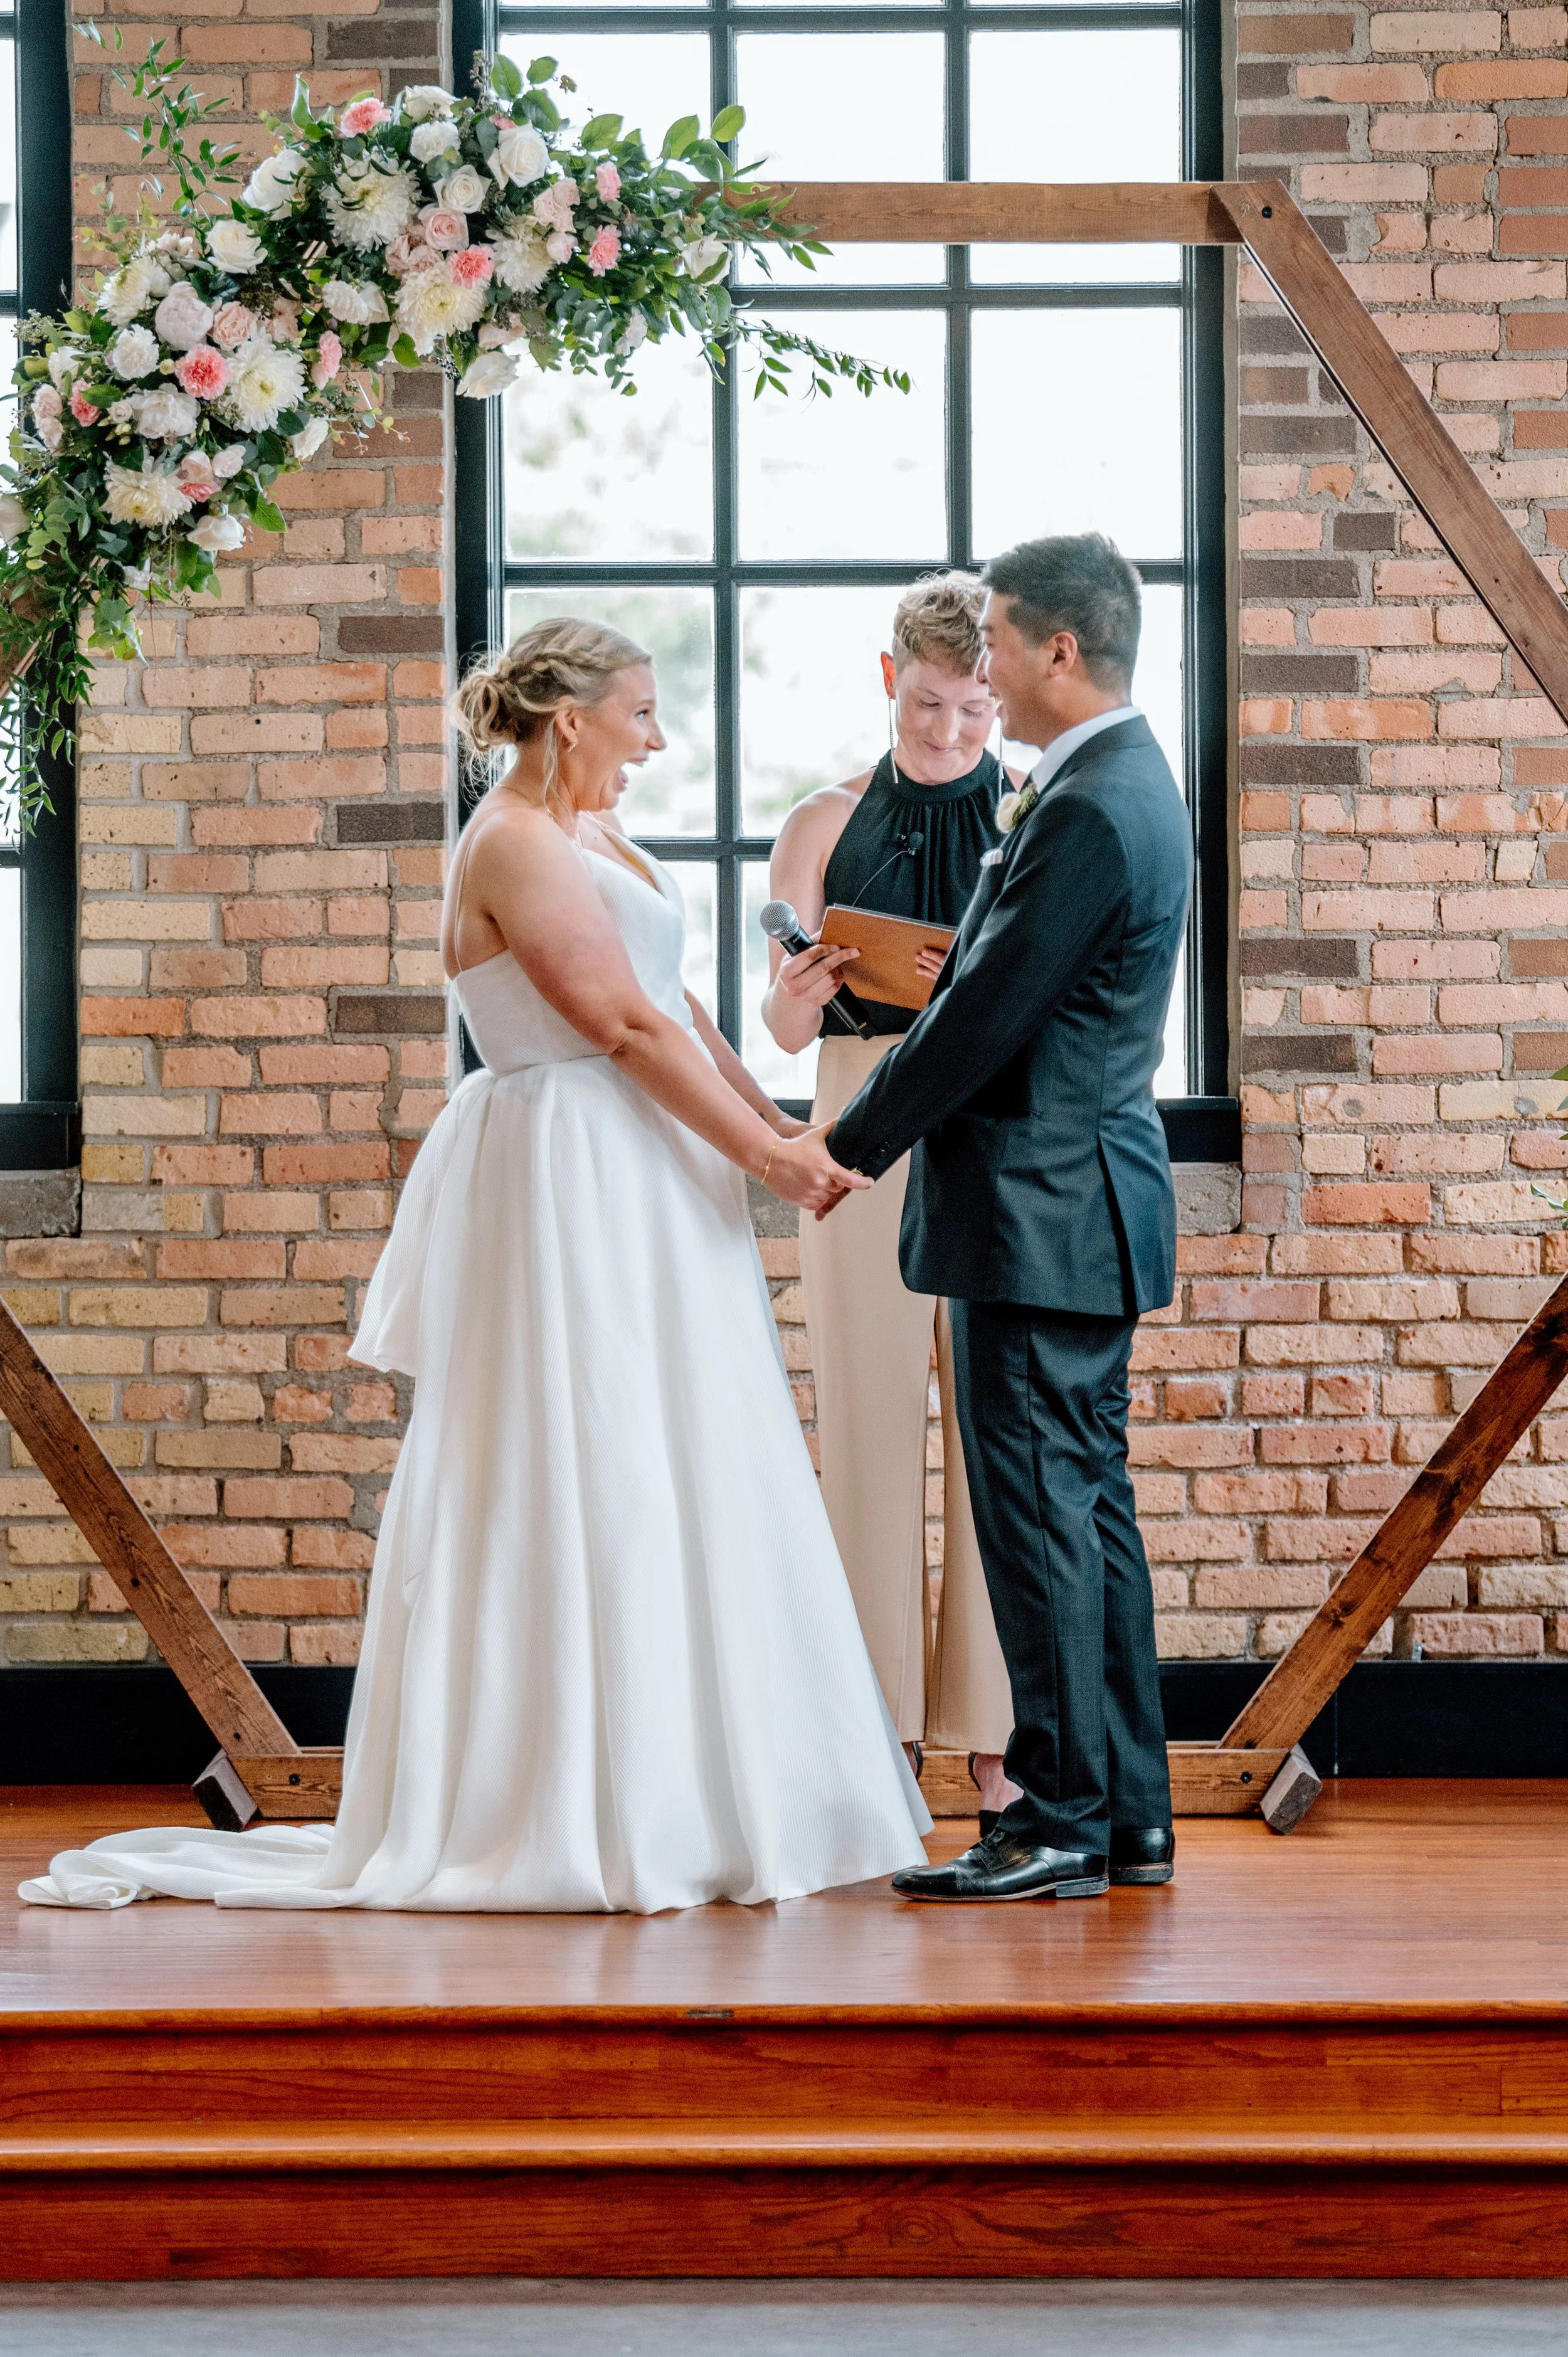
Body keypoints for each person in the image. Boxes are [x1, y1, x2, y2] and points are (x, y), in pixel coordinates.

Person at [22, 618, 930, 1915]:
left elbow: (675, 1008)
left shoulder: (590, 834)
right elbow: (613, 1026)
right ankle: (570, 1795)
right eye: (641, 713)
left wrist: (773, 1126)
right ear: (573, 721)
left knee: (687, 1450)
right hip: (571, 1174)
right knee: (579, 1454)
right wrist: (772, 1163)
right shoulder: (506, 843)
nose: (656, 739)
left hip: (654, 1175)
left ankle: (711, 1780)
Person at [822, 535, 1191, 1904]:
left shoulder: (1088, 803)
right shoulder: (1117, 781)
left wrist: (846, 1145)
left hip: (1037, 1212)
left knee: (1042, 1521)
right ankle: (1126, 1815)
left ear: (1054, 651)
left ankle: (1055, 1816)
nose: (976, 675)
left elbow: (979, 1015)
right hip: (1074, 1208)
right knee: (1085, 1516)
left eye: (992, 647)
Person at [762, 574, 1018, 1819]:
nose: (949, 734)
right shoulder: (819, 820)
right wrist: (798, 992)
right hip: (857, 1115)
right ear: (886, 680)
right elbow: (772, 1019)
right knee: (863, 1422)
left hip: (993, 1126)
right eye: (928, 704)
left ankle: (993, 1741)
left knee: (991, 1431)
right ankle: (864, 1732)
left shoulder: (1034, 818)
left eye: (974, 710)